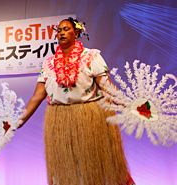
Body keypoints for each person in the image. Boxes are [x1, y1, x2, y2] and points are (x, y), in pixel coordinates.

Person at [18, 17, 135, 185]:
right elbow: (37, 96)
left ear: (77, 32)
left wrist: (132, 106)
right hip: (59, 120)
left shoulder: (91, 56)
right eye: (59, 30)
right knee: (68, 170)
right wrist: (17, 122)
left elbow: (107, 88)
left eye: (66, 29)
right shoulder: (49, 63)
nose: (61, 33)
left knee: (95, 165)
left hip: (89, 117)